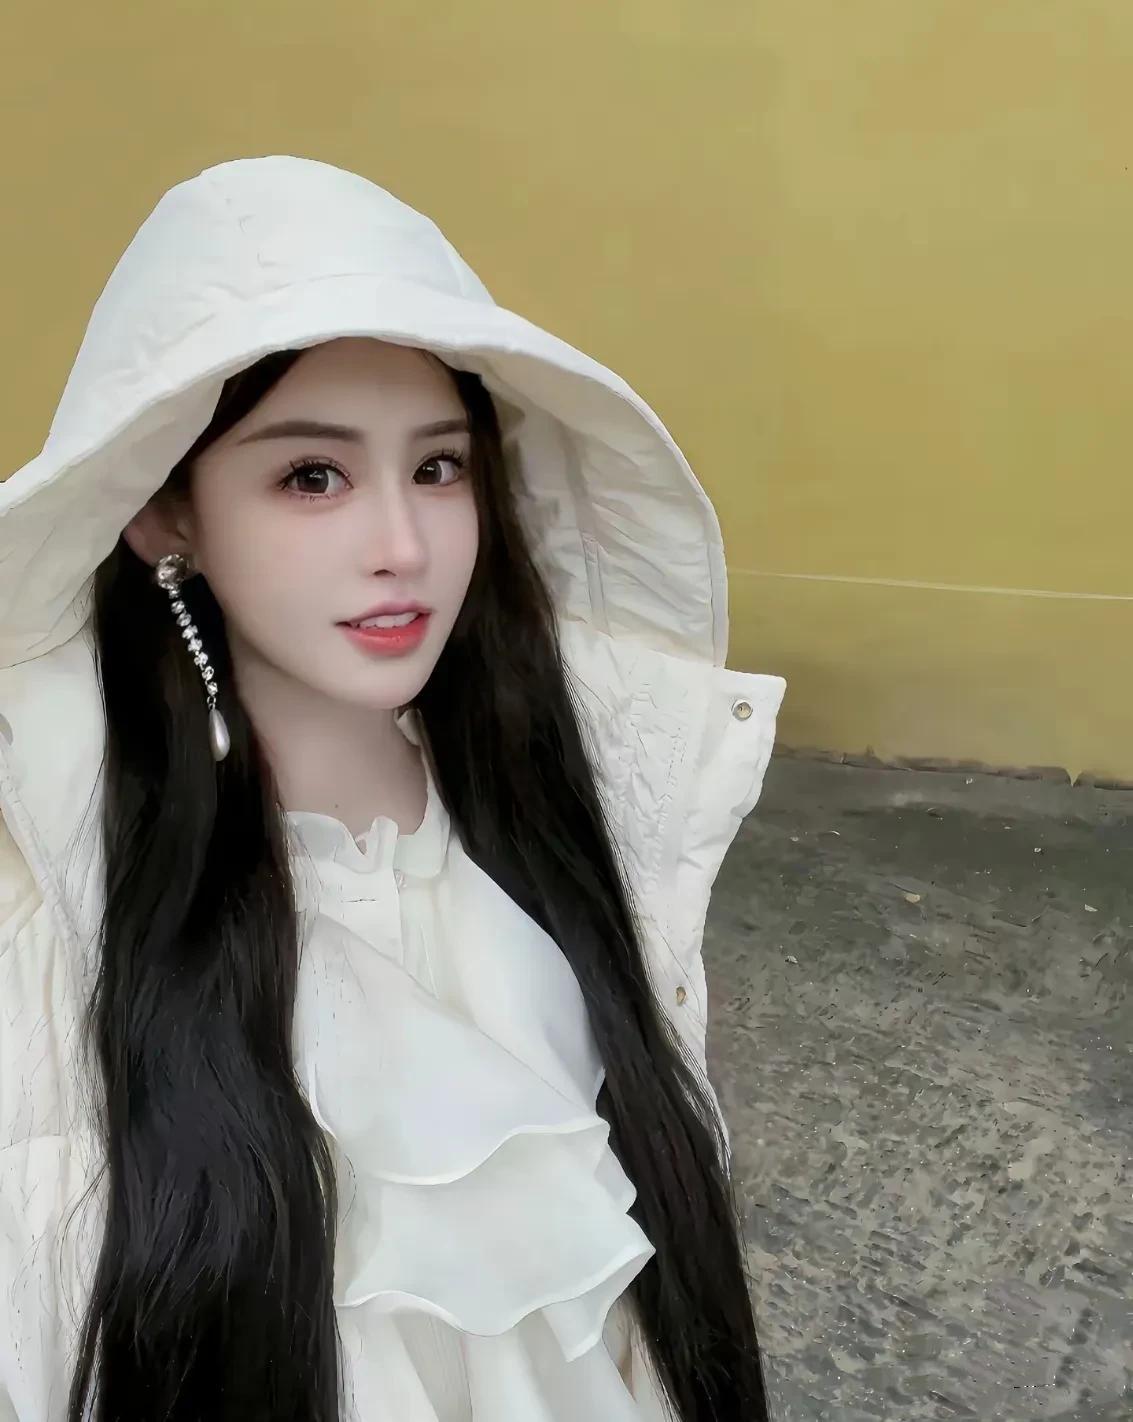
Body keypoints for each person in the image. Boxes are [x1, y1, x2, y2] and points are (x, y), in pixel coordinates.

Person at [0, 157, 785, 1422]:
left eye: (437, 468)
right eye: (311, 476)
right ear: (163, 515)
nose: (404, 549)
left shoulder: (551, 818)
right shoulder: (49, 910)